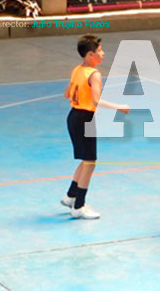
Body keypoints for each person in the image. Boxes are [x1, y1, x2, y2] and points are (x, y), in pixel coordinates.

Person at [61, 35, 130, 219]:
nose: (103, 53)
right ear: (90, 55)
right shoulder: (94, 74)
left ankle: (70, 196)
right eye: (99, 50)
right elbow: (96, 101)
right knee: (90, 162)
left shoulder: (77, 70)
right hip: (84, 119)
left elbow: (66, 94)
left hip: (73, 117)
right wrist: (119, 107)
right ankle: (79, 206)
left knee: (85, 160)